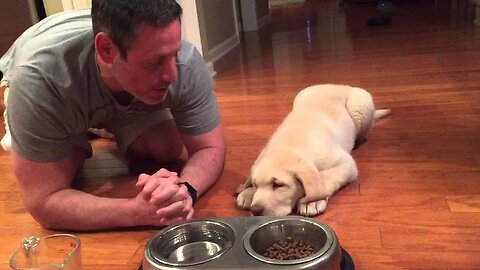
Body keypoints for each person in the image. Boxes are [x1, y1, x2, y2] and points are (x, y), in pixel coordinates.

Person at [0, 0, 226, 231]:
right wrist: (136, 212)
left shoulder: (185, 61)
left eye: (174, 54)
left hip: (111, 83)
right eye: (156, 62)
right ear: (107, 50)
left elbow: (209, 148)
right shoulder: (37, 79)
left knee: (166, 148)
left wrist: (185, 191)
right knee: (71, 164)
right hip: (44, 80)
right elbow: (44, 201)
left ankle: (99, 121)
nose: (172, 74)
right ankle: (29, 120)